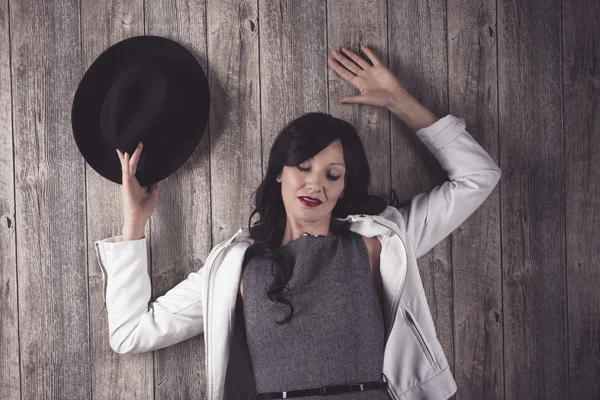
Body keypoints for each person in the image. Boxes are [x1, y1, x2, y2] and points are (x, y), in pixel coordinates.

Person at [95, 45, 501, 400]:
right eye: (302, 167)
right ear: (279, 173)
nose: (315, 184)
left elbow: (477, 177)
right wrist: (135, 223)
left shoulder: (378, 244)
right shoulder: (236, 268)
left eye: (332, 174)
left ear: (345, 186)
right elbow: (132, 333)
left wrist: (399, 100)